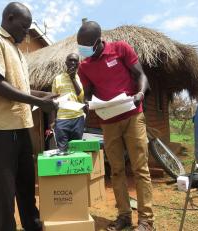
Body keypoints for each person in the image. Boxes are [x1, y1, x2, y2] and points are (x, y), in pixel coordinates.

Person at [0, 2, 58, 231]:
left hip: (21, 125)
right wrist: (39, 103)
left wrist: (45, 95)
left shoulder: (16, 50)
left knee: (26, 185)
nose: (26, 33)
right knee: (4, 192)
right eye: (23, 27)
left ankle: (33, 226)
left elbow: (21, 88)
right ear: (9, 18)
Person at [77, 21, 154, 231]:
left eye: (85, 45)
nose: (82, 50)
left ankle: (147, 221)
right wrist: (86, 104)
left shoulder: (120, 49)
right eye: (79, 46)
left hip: (132, 115)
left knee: (140, 168)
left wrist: (140, 94)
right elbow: (89, 92)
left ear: (98, 41)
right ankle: (124, 216)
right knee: (117, 170)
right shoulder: (84, 66)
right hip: (108, 122)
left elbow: (140, 75)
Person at [50, 53, 85, 151]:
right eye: (70, 60)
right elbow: (53, 100)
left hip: (78, 118)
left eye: (75, 61)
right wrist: (53, 120)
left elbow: (81, 98)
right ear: (66, 62)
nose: (73, 62)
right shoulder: (57, 79)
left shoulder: (81, 77)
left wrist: (73, 78)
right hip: (62, 120)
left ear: (78, 64)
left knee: (77, 149)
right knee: (62, 150)